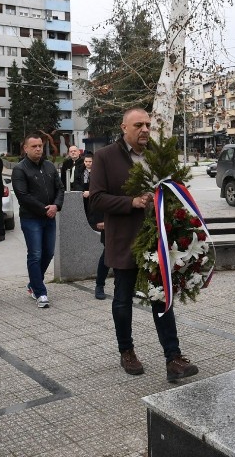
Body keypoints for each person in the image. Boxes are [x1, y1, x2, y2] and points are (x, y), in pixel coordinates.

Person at [90, 108, 198, 382]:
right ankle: (126, 351)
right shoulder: (105, 157)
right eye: (138, 125)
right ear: (124, 127)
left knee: (161, 297)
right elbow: (97, 199)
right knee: (123, 298)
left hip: (156, 239)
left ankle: (173, 358)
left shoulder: (156, 156)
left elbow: (172, 190)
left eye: (148, 125)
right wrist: (131, 202)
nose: (145, 130)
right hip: (125, 239)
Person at [12, 133, 64, 308]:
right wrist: (45, 209)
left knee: (48, 253)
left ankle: (33, 284)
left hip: (50, 217)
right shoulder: (20, 169)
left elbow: (60, 188)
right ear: (25, 148)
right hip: (31, 219)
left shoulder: (49, 166)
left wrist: (56, 206)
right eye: (34, 146)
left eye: (40, 146)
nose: (38, 149)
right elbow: (22, 195)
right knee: (35, 254)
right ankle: (40, 293)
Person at [80, 152, 109, 300]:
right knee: (107, 254)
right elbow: (99, 199)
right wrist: (101, 221)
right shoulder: (100, 176)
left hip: (125, 220)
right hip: (108, 221)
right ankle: (99, 285)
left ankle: (125, 286)